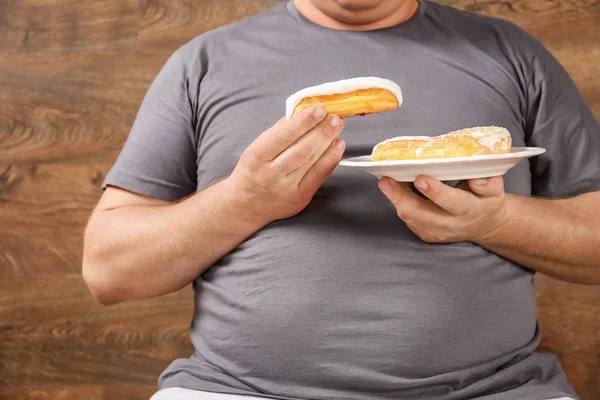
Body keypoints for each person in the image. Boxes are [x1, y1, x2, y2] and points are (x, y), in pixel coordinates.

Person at [82, 0, 600, 399]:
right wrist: (244, 199)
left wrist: (494, 220)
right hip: (234, 390)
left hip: (496, 389)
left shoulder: (511, 53)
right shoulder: (203, 62)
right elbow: (109, 272)